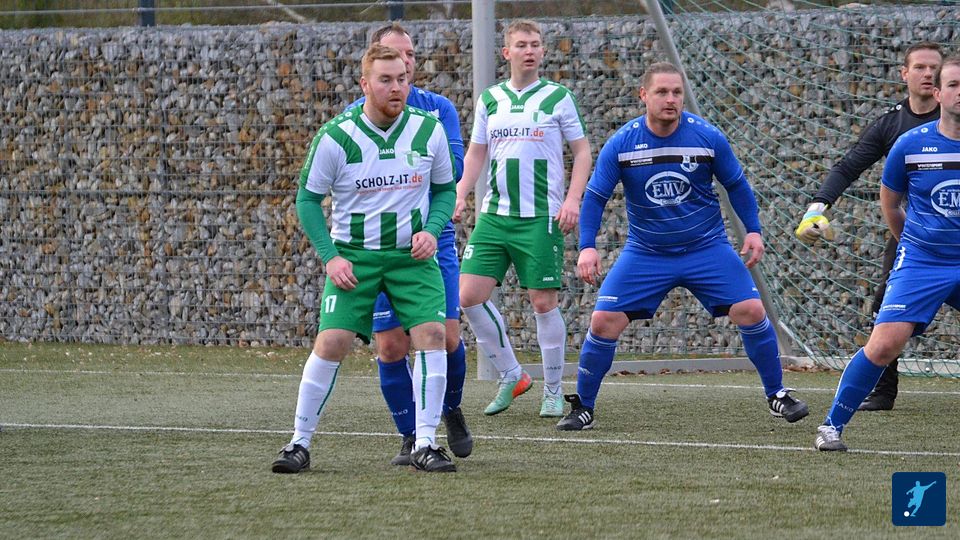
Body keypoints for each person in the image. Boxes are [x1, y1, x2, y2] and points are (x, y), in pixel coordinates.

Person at [557, 62, 809, 431]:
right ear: (643, 95)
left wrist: (753, 231)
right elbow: (595, 196)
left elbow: (736, 185)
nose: (671, 99)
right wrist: (587, 247)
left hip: (706, 248)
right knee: (603, 320)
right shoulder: (623, 143)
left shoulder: (707, 137)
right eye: (662, 92)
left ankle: (777, 394)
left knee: (752, 310)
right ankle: (584, 406)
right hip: (646, 252)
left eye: (677, 92)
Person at [271, 44, 457, 473]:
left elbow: (445, 189)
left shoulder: (428, 129)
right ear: (365, 84)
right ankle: (298, 443)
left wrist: (432, 230)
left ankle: (425, 443)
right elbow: (307, 200)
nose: (396, 88)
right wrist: (331, 258)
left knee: (433, 335)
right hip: (355, 259)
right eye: (385, 80)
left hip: (411, 258)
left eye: (402, 79)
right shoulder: (336, 136)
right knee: (331, 342)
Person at [815, 56, 960, 452]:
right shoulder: (909, 145)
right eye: (953, 84)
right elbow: (891, 204)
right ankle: (831, 427)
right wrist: (914, 245)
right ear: (938, 93)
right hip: (923, 262)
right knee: (883, 345)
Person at [453, 19, 592, 418]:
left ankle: (553, 389)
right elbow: (476, 153)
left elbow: (582, 152)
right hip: (495, 217)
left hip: (540, 217)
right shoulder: (490, 99)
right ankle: (512, 374)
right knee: (468, 295)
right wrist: (460, 192)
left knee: (543, 302)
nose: (529, 50)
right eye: (521, 45)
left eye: (535, 44)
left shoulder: (558, 97)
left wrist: (573, 200)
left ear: (543, 51)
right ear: (507, 52)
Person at [347, 23, 472, 467]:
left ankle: (449, 407)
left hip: (431, 241)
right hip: (380, 246)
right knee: (390, 346)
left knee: (447, 338)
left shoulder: (437, 110)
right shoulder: (354, 118)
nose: (405, 63)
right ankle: (410, 437)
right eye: (395, 55)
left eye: (411, 56)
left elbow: (454, 167)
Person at [794, 42, 943, 412]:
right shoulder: (891, 124)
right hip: (914, 237)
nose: (928, 74)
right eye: (920, 67)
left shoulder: (953, 120)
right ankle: (883, 392)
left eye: (935, 69)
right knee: (885, 309)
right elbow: (848, 167)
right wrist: (816, 209)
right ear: (904, 74)